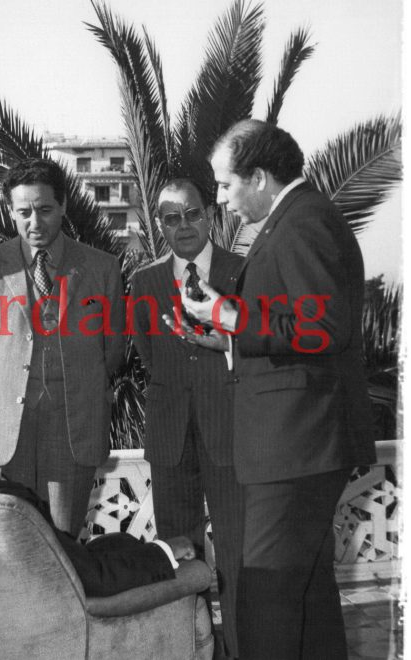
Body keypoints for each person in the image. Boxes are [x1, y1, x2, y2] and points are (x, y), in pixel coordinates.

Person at [182, 120, 376, 660]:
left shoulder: (303, 223)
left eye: (225, 185)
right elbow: (296, 329)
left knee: (265, 598)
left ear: (260, 177)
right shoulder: (296, 219)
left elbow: (322, 328)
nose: (221, 200)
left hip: (296, 446)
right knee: (309, 599)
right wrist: (226, 335)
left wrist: (227, 311)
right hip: (298, 443)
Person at [0, 158, 124, 537]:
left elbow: (113, 352)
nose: (35, 222)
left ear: (63, 206)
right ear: (11, 212)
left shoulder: (102, 269)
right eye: (24, 211)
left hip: (71, 428)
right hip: (2, 431)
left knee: (63, 548)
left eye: (45, 210)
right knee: (7, 545)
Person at [0, 408, 213, 599]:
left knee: (120, 541)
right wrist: (166, 552)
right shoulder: (3, 508)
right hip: (68, 614)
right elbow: (90, 580)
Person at [131, 178, 244, 659]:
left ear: (210, 215)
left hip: (232, 432)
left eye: (192, 214)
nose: (183, 227)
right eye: (171, 218)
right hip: (169, 433)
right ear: (159, 224)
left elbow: (255, 343)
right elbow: (146, 350)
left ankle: (241, 648)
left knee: (238, 555)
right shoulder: (145, 282)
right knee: (179, 552)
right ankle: (194, 648)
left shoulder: (243, 270)